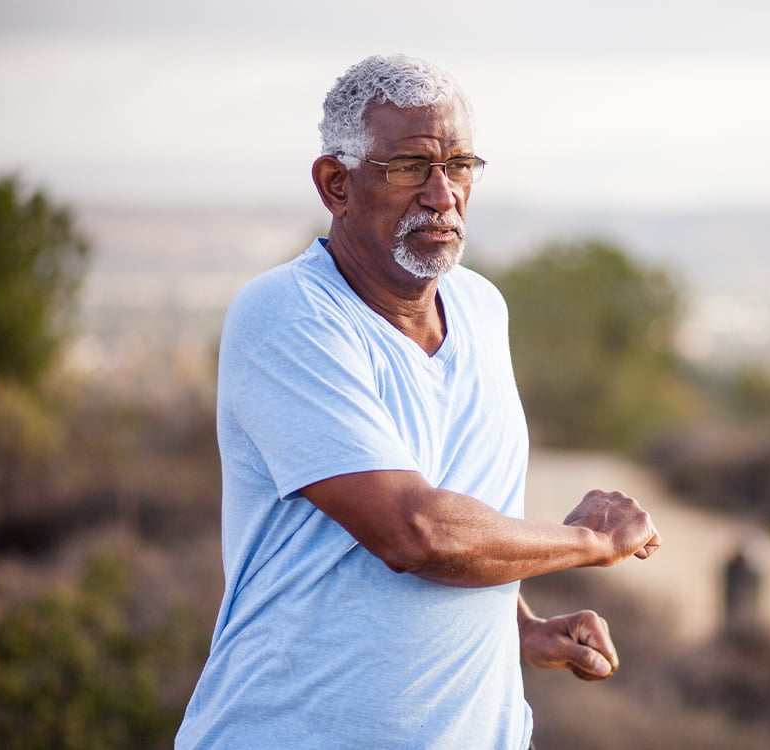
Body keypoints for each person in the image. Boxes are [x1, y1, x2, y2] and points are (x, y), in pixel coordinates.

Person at [175, 54, 662, 749]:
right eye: (408, 166)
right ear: (335, 184)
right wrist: (589, 541)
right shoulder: (288, 316)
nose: (442, 193)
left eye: (460, 164)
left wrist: (516, 623)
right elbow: (414, 532)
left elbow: (459, 499)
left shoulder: (482, 308)